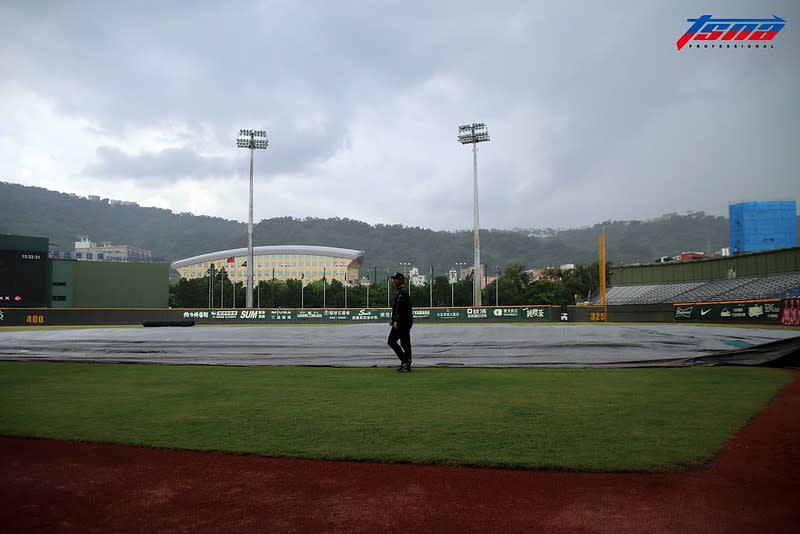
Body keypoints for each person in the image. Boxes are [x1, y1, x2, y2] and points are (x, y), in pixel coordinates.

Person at [388, 272, 413, 372]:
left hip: (403, 322)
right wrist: (393, 319)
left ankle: (406, 361)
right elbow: (397, 308)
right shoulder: (401, 291)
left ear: (401, 280)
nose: (394, 281)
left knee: (393, 341)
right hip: (403, 321)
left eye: (396, 279)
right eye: (394, 279)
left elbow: (400, 308)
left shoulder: (403, 292)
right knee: (404, 343)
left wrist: (396, 321)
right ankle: (406, 363)